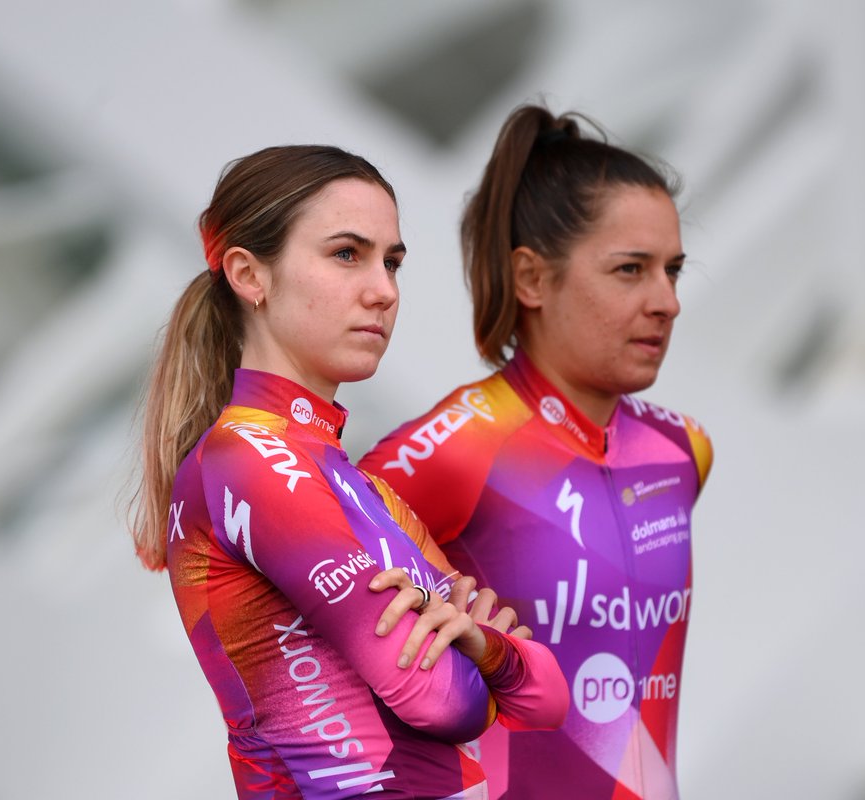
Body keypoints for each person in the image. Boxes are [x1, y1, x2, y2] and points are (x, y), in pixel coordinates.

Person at [129, 145, 567, 799]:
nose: (384, 290)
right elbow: (442, 700)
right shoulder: (247, 458)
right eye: (346, 254)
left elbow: (548, 698)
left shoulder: (357, 487)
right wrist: (483, 654)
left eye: (391, 262)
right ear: (250, 275)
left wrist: (482, 647)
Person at [360, 105, 713, 799]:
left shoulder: (682, 450)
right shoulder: (459, 445)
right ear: (531, 279)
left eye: (672, 270)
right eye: (630, 270)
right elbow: (298, 609)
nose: (666, 301)